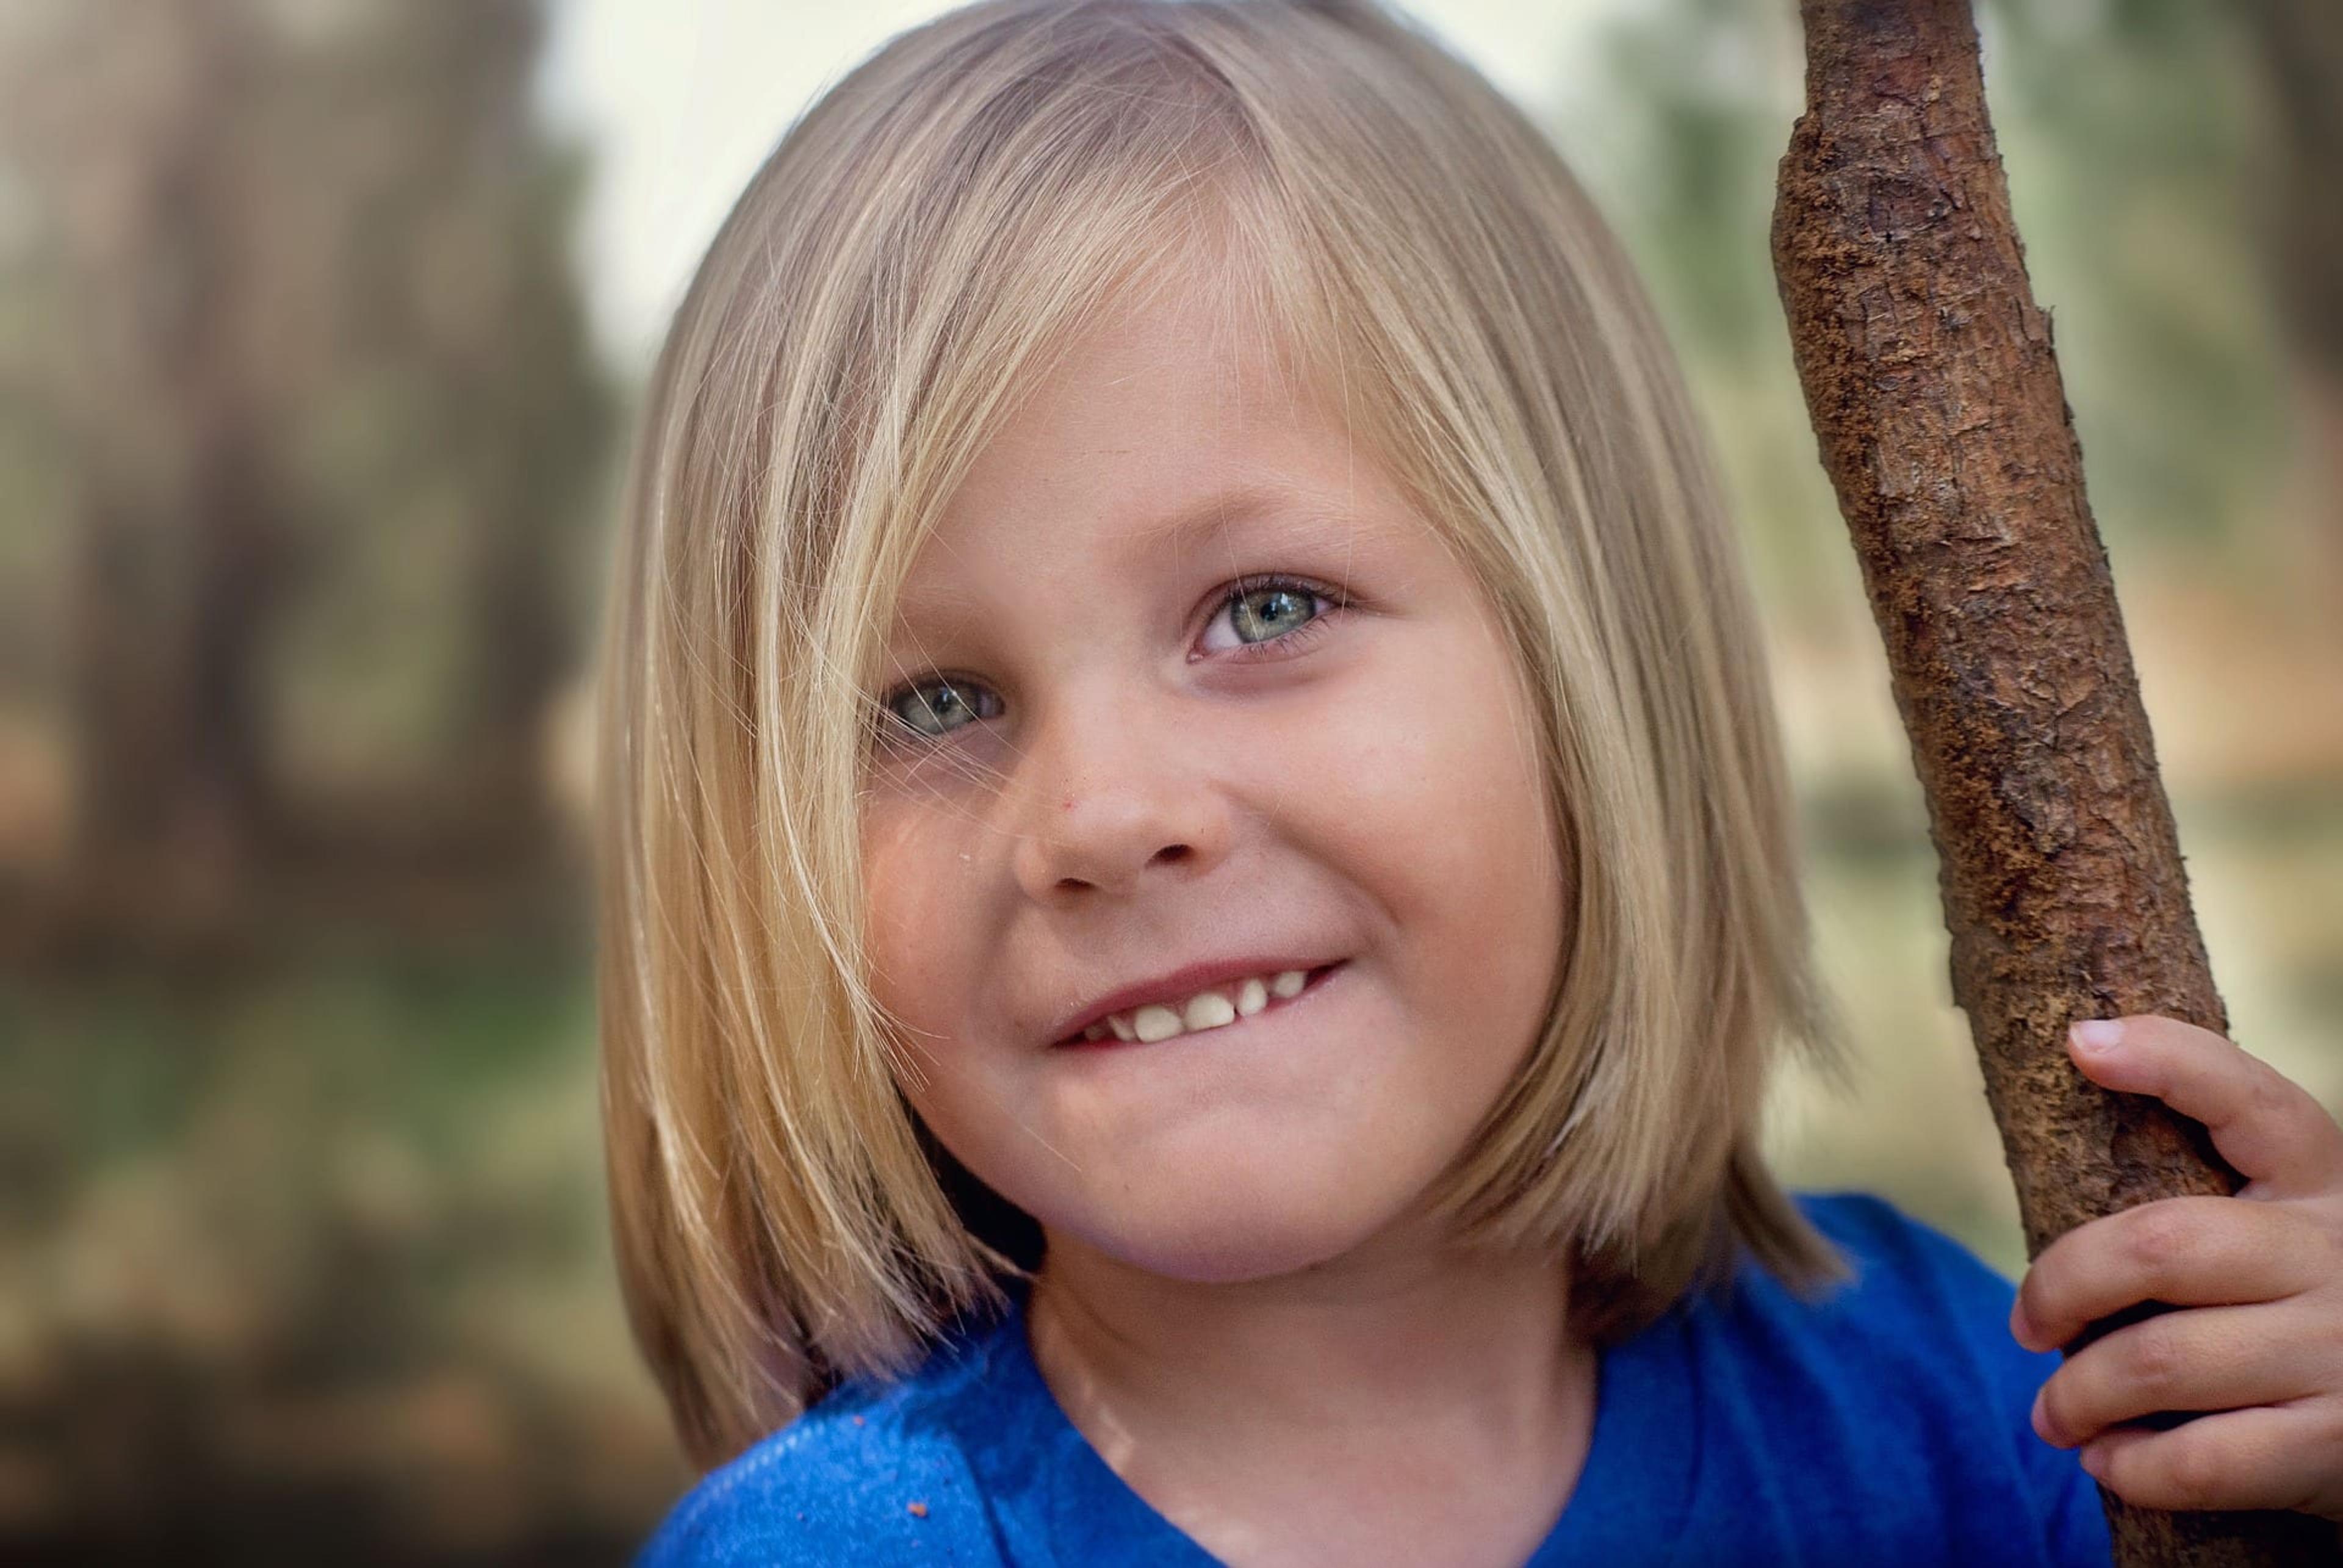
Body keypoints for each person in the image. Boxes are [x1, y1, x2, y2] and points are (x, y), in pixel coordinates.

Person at [593, 1, 2343, 1561]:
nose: (1105, 813)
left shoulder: (1977, 1416)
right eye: (930, 701)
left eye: (1263, 608)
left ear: (1590, 664)